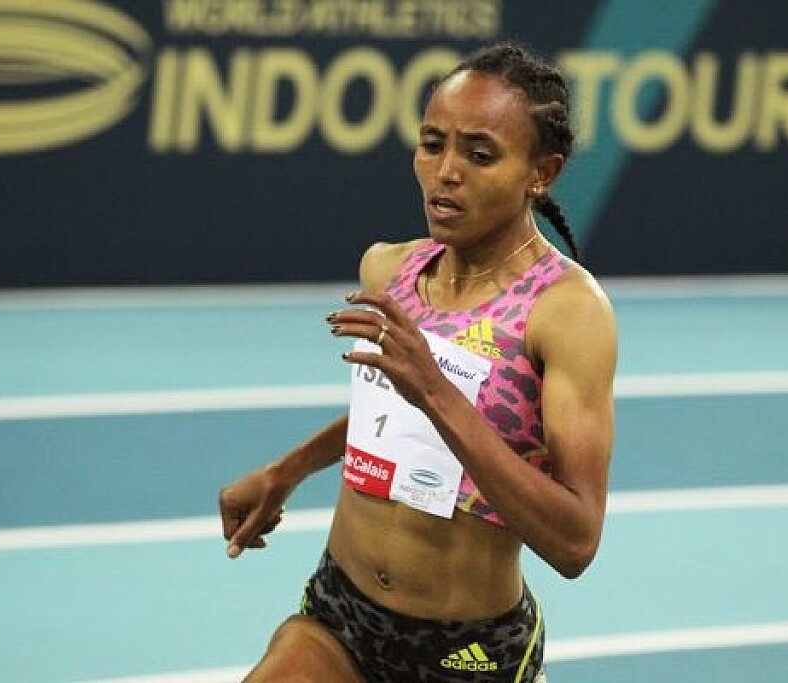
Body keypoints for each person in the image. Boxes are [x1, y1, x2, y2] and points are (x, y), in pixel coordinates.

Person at [219, 41, 617, 683]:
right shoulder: (390, 269)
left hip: (467, 651)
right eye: (433, 144)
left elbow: (575, 542)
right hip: (341, 614)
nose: (446, 172)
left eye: (480, 154)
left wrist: (435, 390)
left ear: (541, 172)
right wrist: (286, 471)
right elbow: (392, 418)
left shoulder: (567, 312)